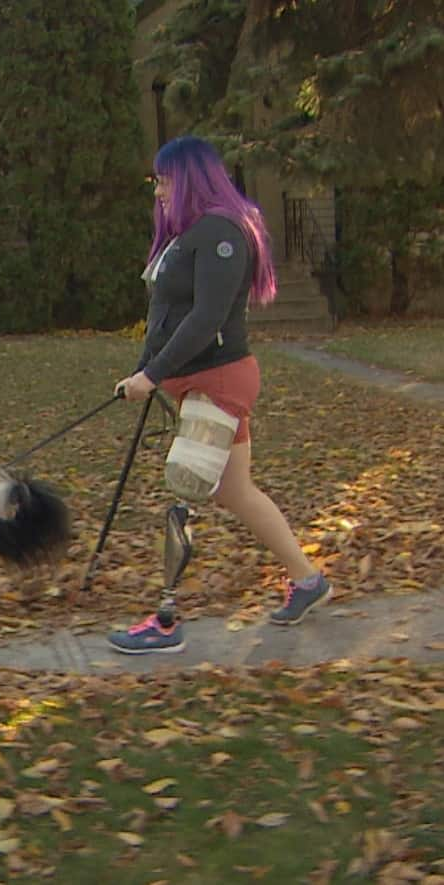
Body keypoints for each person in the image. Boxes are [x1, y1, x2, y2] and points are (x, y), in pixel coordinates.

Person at [107, 135, 331, 655]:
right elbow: (166, 317)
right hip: (198, 381)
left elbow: (206, 318)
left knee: (184, 484)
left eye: (164, 179)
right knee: (234, 491)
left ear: (188, 177)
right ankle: (308, 581)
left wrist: (155, 374)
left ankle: (164, 621)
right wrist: (144, 370)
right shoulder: (187, 236)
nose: (158, 189)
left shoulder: (221, 233)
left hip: (219, 381)